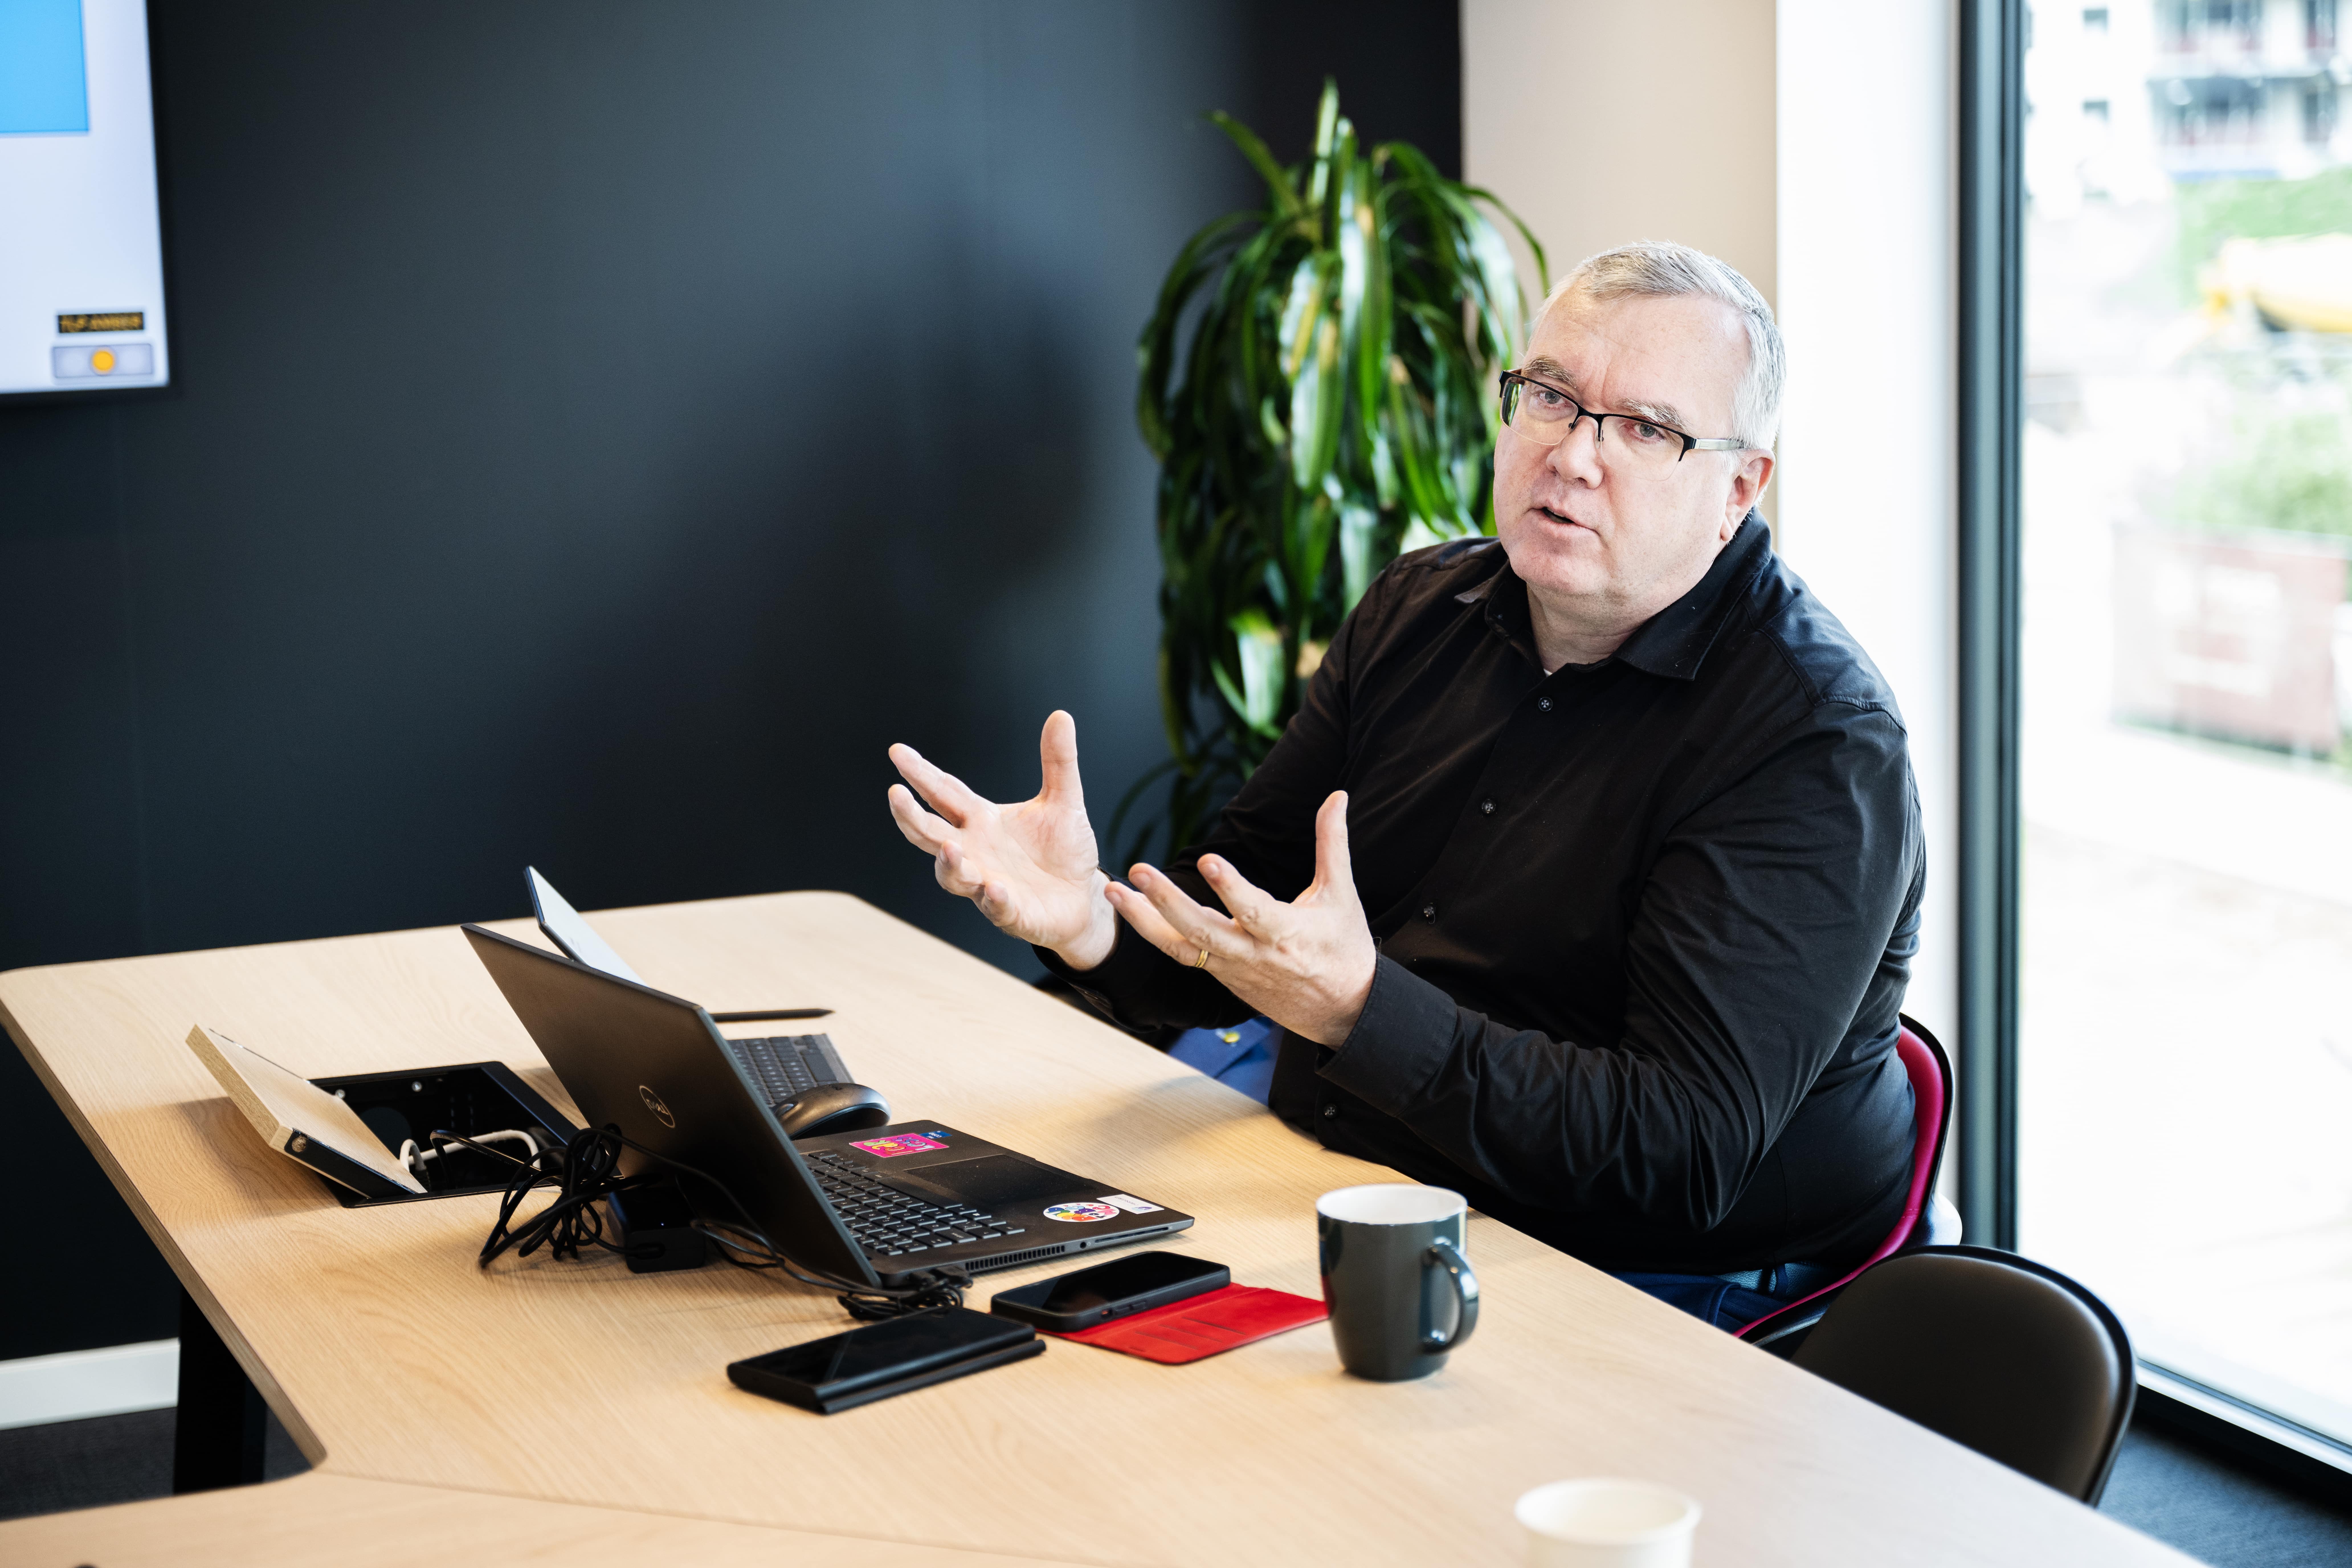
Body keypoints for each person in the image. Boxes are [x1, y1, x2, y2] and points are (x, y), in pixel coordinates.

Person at [884, 241, 1922, 1330]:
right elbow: (1251, 929)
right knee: (957, 1299)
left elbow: (1676, 1155)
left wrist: (1359, 1009)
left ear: (1739, 487)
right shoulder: (1420, 609)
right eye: (1554, 399)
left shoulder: (1815, 740)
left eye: (1647, 430)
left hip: (1648, 1276)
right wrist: (1089, 920)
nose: (1574, 457)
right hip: (1351, 1179)